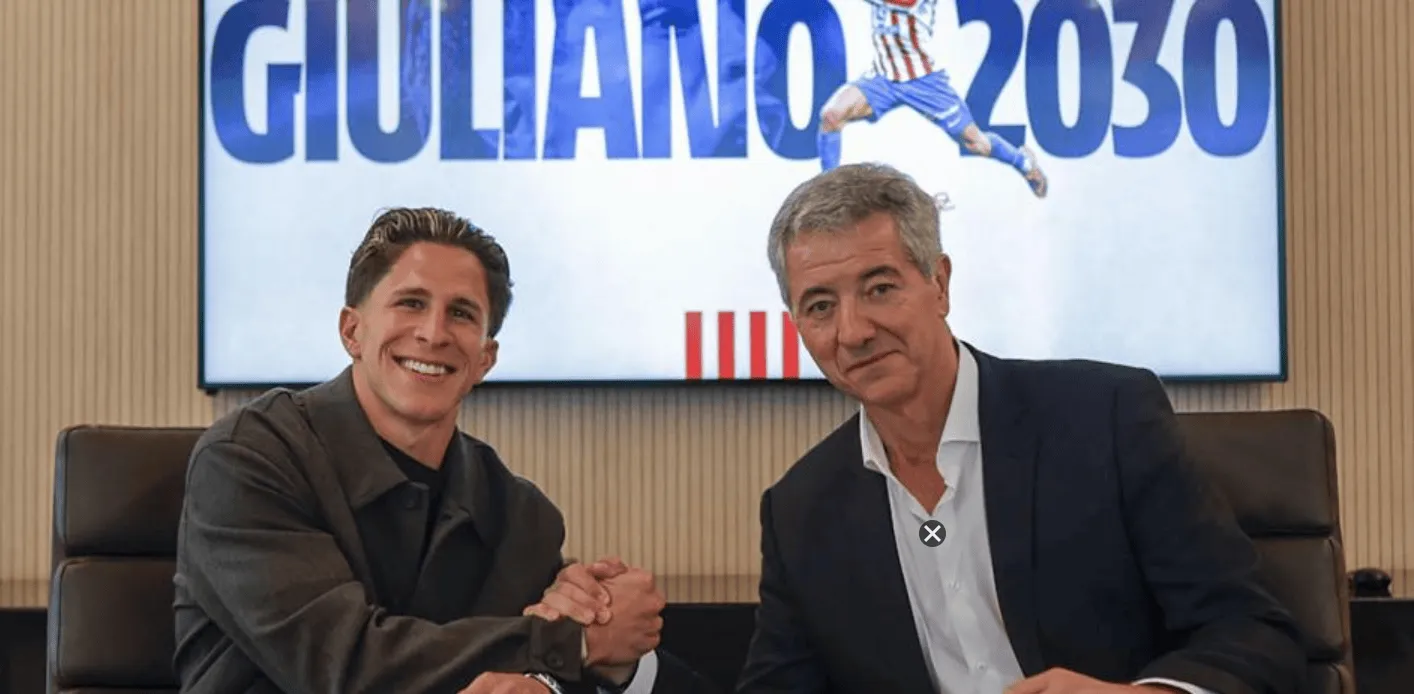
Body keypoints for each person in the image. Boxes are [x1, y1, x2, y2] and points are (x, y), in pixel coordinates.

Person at [734, 163, 1305, 693]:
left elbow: (1253, 631)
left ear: (939, 284)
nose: (853, 331)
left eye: (879, 288)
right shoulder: (799, 511)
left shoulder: (1105, 419)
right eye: (820, 307)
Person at [172, 207, 714, 694]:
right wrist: (571, 644)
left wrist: (609, 639)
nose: (433, 333)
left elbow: (542, 655)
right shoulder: (250, 459)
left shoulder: (520, 515)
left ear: (485, 359)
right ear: (352, 330)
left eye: (462, 313)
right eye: (411, 303)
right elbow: (343, 664)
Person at [818, 0, 1048, 198]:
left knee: (975, 143)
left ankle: (1023, 162)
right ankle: (828, 193)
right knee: (831, 116)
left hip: (924, 81)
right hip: (883, 77)